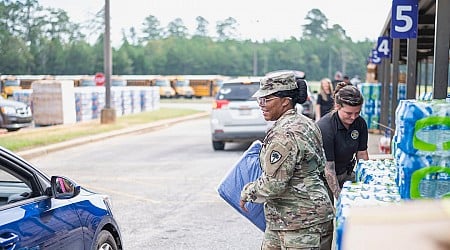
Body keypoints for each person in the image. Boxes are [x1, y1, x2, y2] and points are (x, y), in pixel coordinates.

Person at [240, 71, 334, 250]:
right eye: (260, 100)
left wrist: (247, 192)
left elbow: (273, 185)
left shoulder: (284, 134)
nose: (261, 105)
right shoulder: (305, 122)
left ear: (285, 101)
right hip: (289, 219)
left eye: (267, 99)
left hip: (301, 222)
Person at [316, 81, 369, 203]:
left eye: (357, 113)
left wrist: (366, 181)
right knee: (328, 212)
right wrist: (340, 198)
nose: (353, 117)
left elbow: (362, 154)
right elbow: (329, 169)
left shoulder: (360, 123)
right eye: (349, 113)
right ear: (337, 107)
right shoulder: (326, 128)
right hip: (322, 177)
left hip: (345, 171)